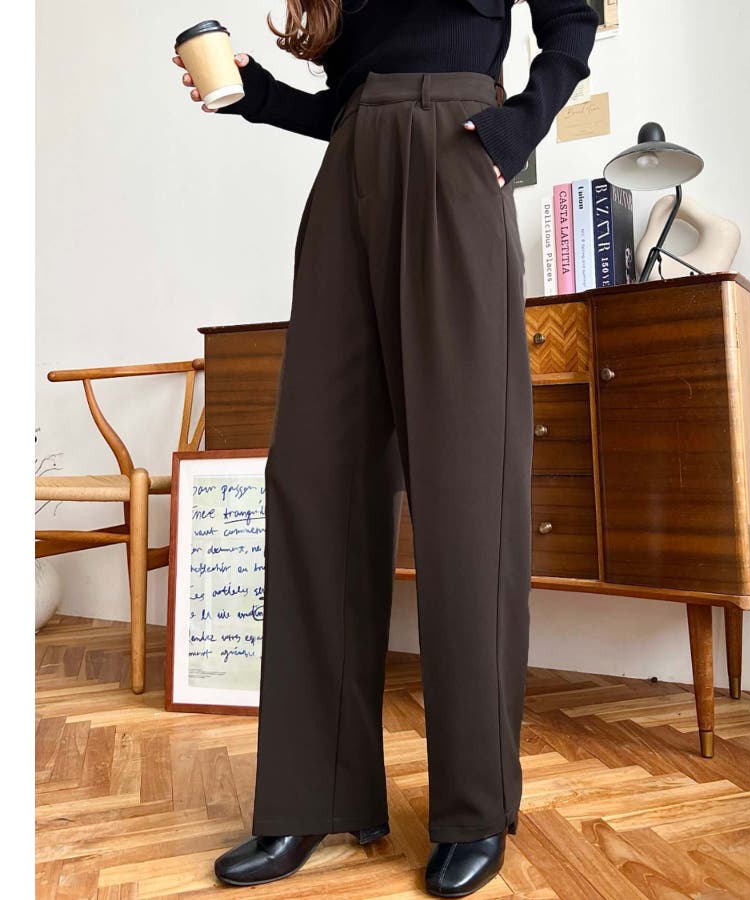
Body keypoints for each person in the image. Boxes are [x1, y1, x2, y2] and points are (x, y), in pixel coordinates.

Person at [173, 1, 598, 895]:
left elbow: (571, 22)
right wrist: (255, 94)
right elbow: (348, 103)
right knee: (314, 481)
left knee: (467, 493)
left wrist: (518, 126)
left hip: (459, 154)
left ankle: (474, 807)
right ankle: (312, 796)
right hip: (350, 176)